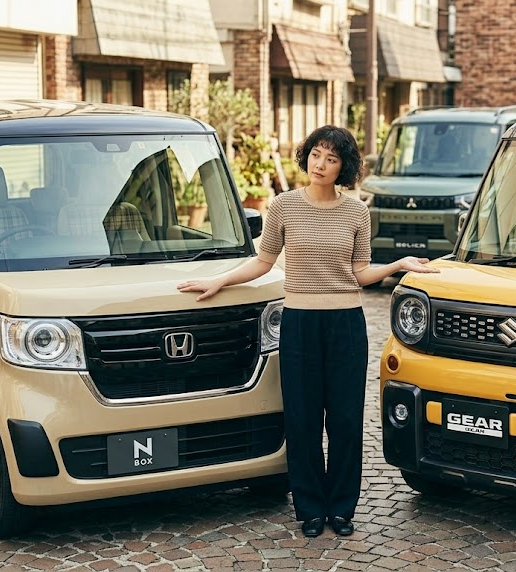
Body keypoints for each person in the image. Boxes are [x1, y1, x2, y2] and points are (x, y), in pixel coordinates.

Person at [176, 125, 438, 538]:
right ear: (307, 156)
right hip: (299, 323)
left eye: (331, 159)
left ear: (342, 167)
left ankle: (342, 508)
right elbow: (263, 262)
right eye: (316, 154)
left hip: (346, 326)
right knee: (302, 418)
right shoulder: (283, 206)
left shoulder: (356, 212)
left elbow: (359, 273)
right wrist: (220, 280)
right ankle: (311, 508)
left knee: (346, 420)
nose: (321, 164)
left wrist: (397, 265)